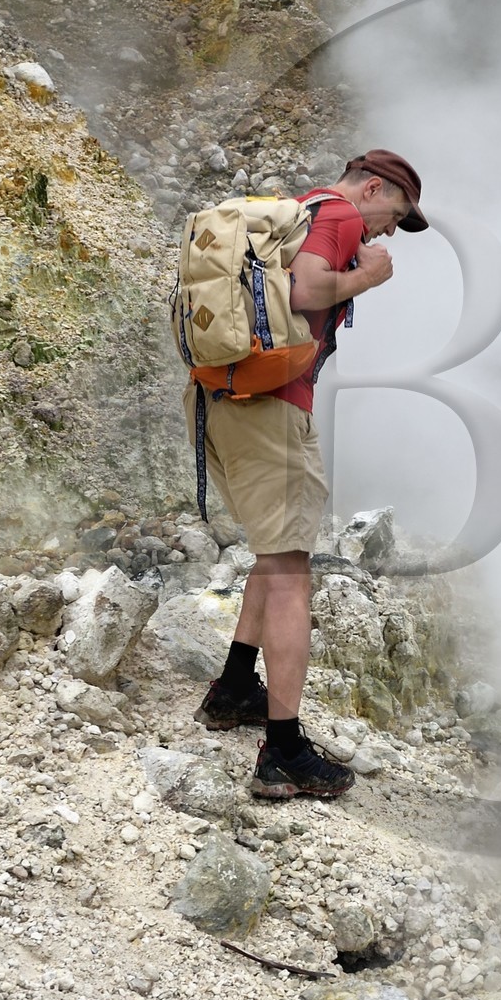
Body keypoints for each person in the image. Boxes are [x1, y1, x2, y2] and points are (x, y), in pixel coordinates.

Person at [189, 149, 427, 797]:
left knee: (274, 555)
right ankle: (284, 751)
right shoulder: (343, 215)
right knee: (293, 569)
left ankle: (235, 688)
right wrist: (368, 277)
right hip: (272, 412)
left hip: (225, 402)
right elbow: (306, 289)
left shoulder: (299, 211)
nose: (384, 233)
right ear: (375, 187)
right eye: (395, 215)